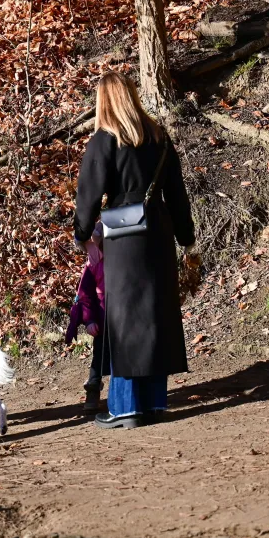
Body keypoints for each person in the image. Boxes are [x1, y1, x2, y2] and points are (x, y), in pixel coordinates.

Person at [73, 72, 195, 429]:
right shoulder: (158, 136)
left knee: (125, 321)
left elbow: (88, 196)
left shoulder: (104, 140)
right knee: (154, 317)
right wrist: (186, 238)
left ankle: (125, 408)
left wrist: (83, 234)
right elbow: (177, 193)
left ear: (104, 102)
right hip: (158, 232)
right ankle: (155, 404)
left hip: (123, 237)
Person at [64, 222, 108, 412]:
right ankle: (92, 393)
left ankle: (124, 394)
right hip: (101, 320)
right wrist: (89, 320)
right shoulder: (92, 265)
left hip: (122, 318)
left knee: (123, 355)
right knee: (98, 356)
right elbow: (85, 295)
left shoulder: (120, 261)